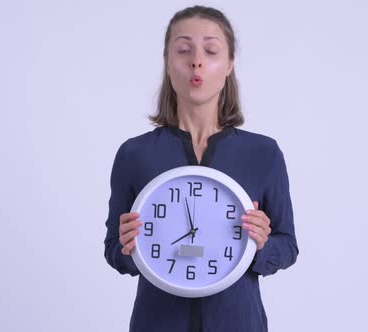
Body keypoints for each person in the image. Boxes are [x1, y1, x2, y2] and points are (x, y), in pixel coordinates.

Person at [104, 5, 298, 332]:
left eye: (210, 50)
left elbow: (288, 246)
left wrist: (262, 246)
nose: (196, 61)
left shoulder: (263, 153)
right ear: (168, 62)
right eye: (183, 50)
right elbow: (113, 250)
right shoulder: (134, 154)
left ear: (229, 65)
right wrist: (126, 248)